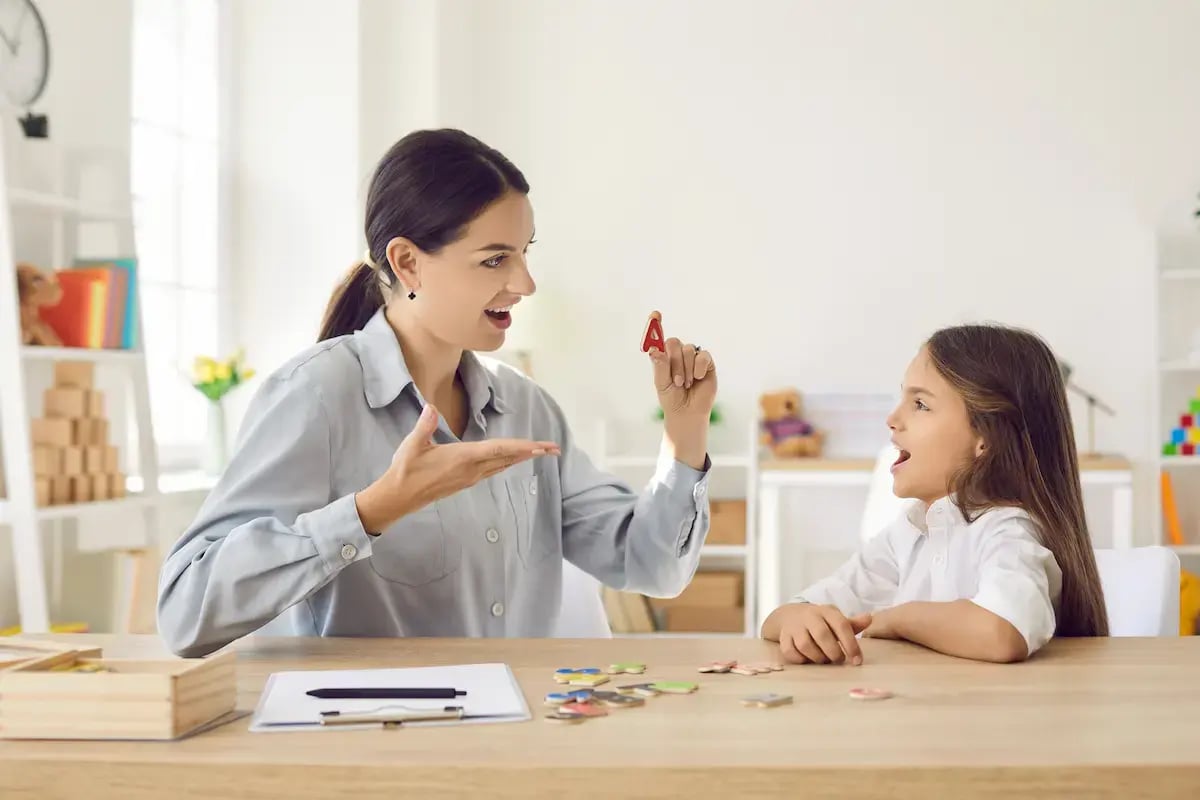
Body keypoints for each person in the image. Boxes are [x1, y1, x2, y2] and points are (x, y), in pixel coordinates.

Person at [157, 129, 717, 658]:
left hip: (514, 740)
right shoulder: (317, 396)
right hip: (368, 745)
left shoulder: (527, 409)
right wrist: (376, 509)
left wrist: (684, 433)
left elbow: (652, 566)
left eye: (525, 252)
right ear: (408, 263)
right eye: (496, 259)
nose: (525, 283)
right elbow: (185, 613)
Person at [761, 324, 1109, 665]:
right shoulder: (910, 533)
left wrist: (897, 618)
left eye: (921, 405)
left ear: (985, 438)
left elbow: (1002, 633)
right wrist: (798, 619)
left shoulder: (1008, 530)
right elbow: (782, 617)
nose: (893, 418)